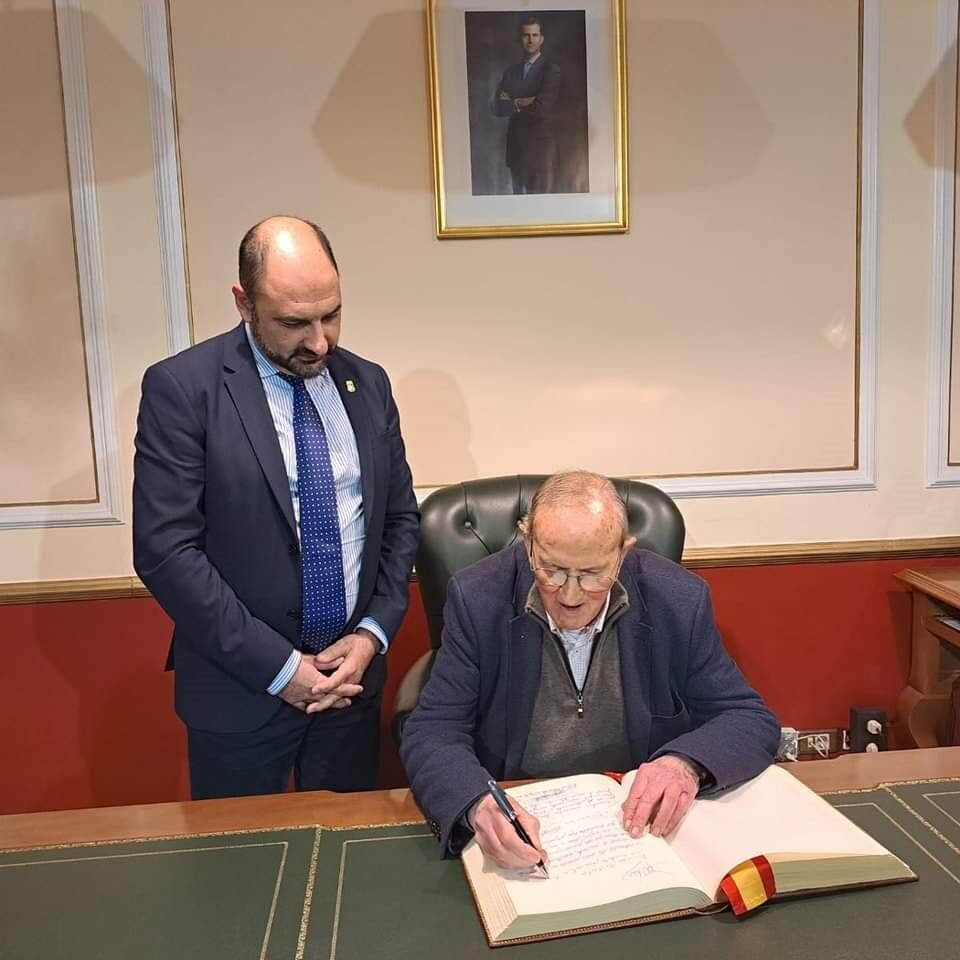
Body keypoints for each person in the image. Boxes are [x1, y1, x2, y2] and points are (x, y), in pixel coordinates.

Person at [133, 215, 419, 800]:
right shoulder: (184, 390)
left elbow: (398, 521)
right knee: (238, 856)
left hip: (350, 685)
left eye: (331, 315)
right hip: (240, 689)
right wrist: (282, 669)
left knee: (347, 848)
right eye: (294, 323)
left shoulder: (368, 384)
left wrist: (372, 634)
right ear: (244, 302)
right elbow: (166, 552)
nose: (320, 342)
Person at [401, 471, 779, 865]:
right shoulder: (478, 597)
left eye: (592, 574)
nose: (570, 595)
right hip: (523, 817)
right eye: (552, 570)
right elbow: (433, 730)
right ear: (528, 543)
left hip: (634, 827)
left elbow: (747, 718)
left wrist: (683, 765)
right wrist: (477, 805)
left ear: (622, 552)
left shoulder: (678, 599)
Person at [492, 16, 562, 194]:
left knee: (539, 204)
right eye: (526, 35)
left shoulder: (551, 70)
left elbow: (542, 107)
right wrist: (522, 101)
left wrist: (512, 101)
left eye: (535, 35)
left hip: (540, 152)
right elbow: (497, 107)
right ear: (520, 39)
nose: (530, 40)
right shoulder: (511, 72)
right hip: (516, 149)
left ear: (541, 39)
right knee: (518, 204)